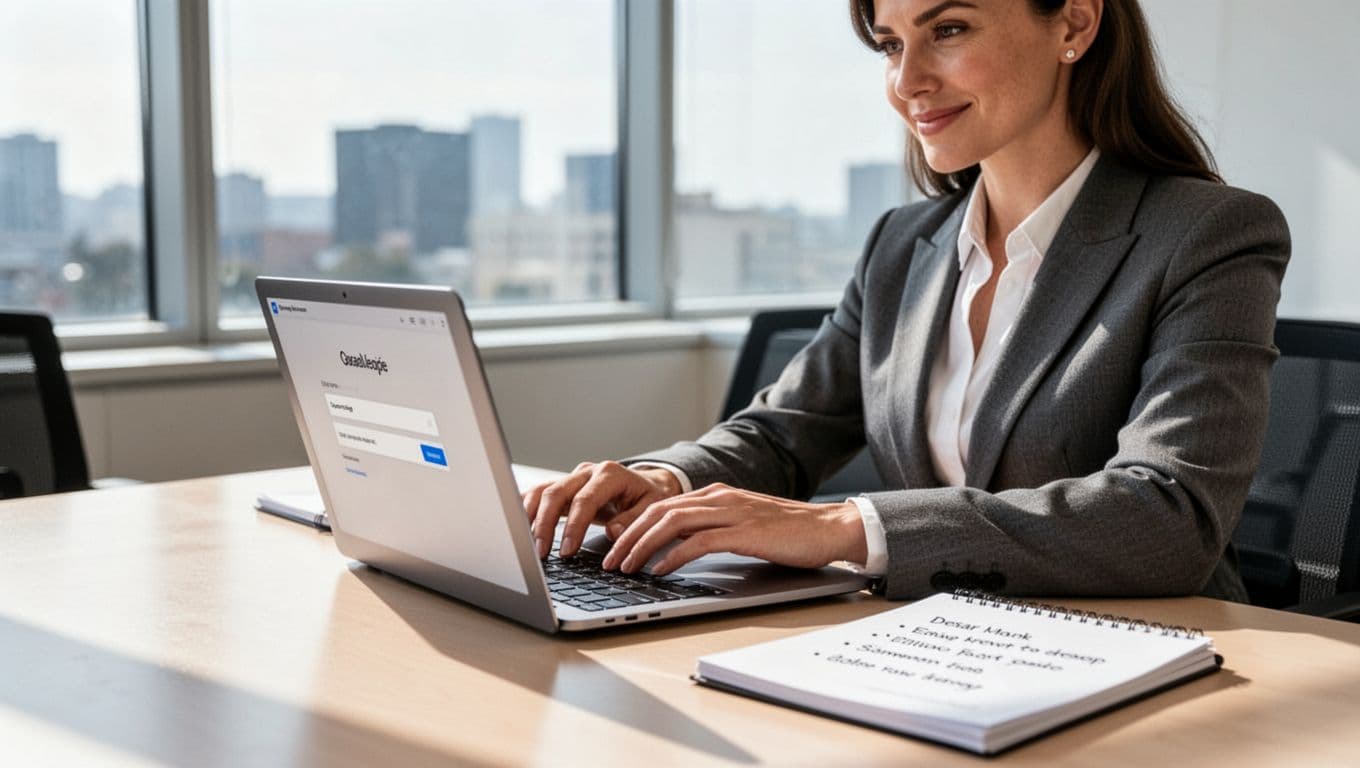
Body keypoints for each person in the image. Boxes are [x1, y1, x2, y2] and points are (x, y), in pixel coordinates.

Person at [521, 0, 1289, 600]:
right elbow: (787, 433)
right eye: (889, 45)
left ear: (1075, 25)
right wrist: (664, 479)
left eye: (947, 30)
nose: (906, 80)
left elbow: (1170, 516)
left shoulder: (1207, 235)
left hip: (1146, 644)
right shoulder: (904, 243)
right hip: (930, 639)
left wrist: (842, 527)